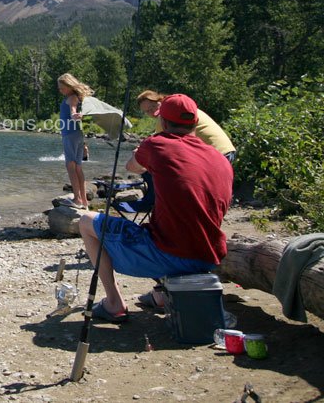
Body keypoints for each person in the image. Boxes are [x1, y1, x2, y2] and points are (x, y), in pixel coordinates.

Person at [77, 94, 233, 322]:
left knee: (86, 222)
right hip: (209, 257)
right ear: (195, 122)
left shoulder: (156, 145)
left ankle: (114, 303)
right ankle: (160, 295)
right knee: (170, 222)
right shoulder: (220, 159)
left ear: (165, 122)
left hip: (168, 255)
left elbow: (133, 166)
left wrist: (140, 153)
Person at [136, 90, 236, 163]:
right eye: (147, 111)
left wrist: (139, 152)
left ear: (160, 100)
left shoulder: (164, 117)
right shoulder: (181, 108)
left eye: (153, 106)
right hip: (226, 150)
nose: (152, 112)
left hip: (216, 154)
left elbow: (157, 147)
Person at [57, 73, 93, 208]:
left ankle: (77, 199)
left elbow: (72, 111)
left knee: (70, 166)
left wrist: (74, 115)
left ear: (69, 85)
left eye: (62, 88)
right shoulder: (74, 97)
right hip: (77, 134)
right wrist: (83, 143)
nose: (60, 90)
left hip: (70, 135)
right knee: (78, 167)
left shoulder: (72, 98)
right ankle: (84, 201)